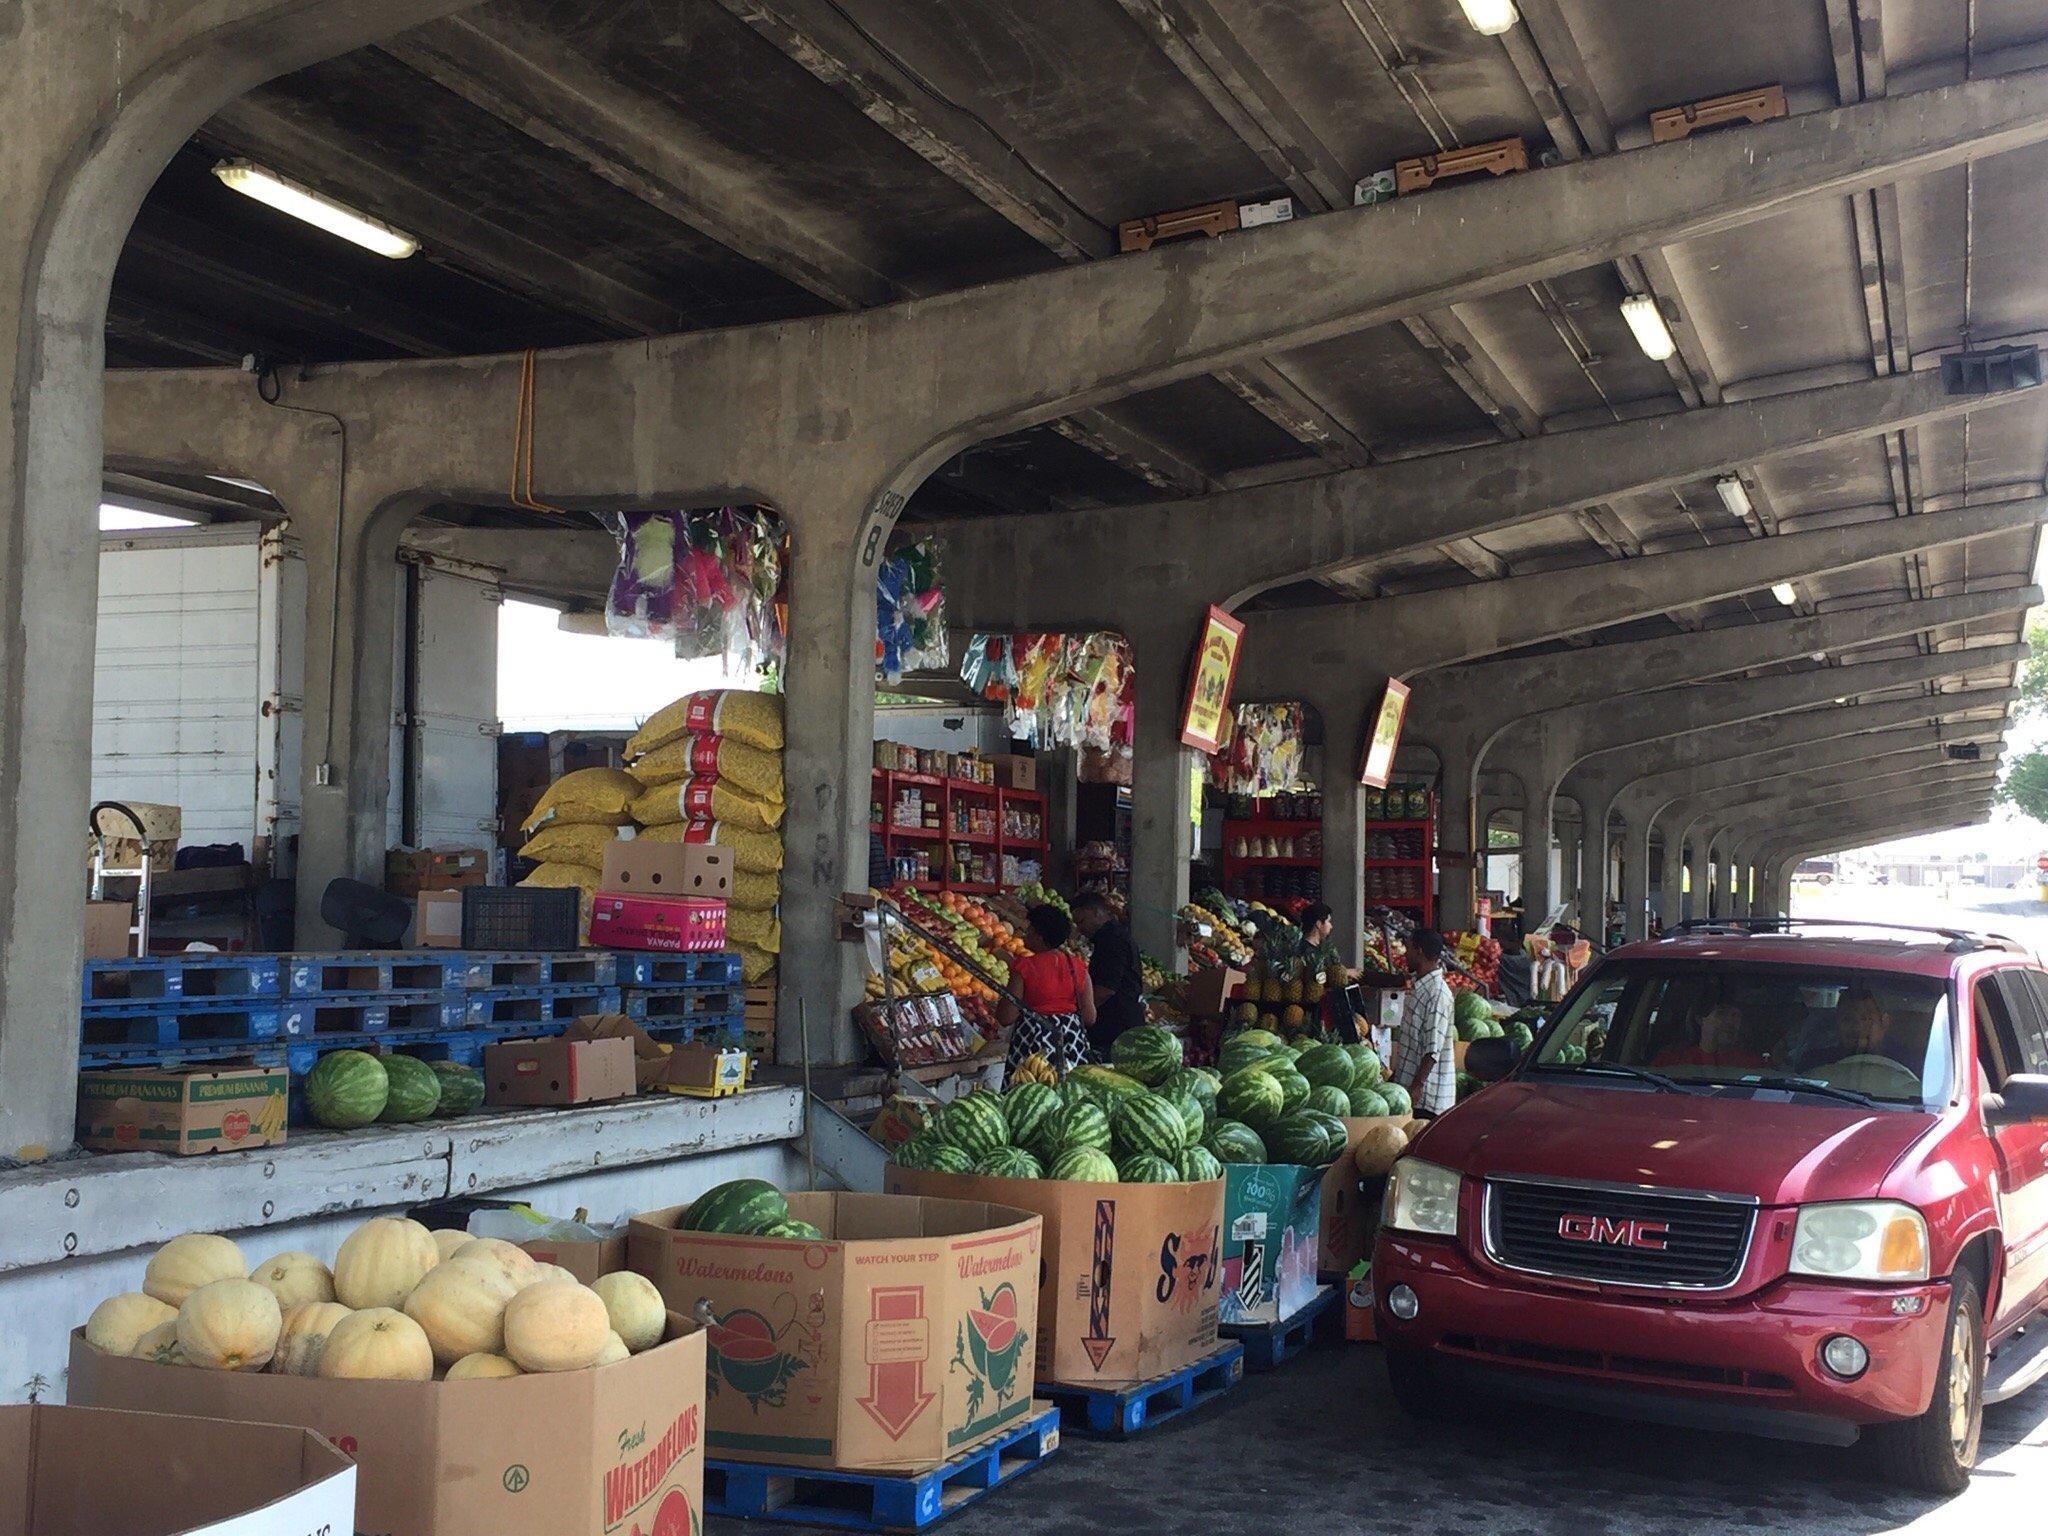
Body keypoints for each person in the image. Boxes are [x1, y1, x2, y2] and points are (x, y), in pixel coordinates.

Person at [998, 904, 1095, 1079]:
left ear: (1040, 937)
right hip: (1071, 1044)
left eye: (1030, 931)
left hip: (1034, 1045)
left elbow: (1006, 1017)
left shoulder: (1024, 967)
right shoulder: (1078, 966)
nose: (1025, 935)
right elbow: (1089, 1017)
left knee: (1032, 1096)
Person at [1391, 929, 1457, 1118]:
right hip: (1411, 1089)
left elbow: (1432, 1049)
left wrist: (1417, 1086)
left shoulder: (1437, 993)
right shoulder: (1421, 986)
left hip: (1428, 1099)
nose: (1405, 954)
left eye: (1409, 948)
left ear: (1419, 951)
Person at [1073, 891, 1144, 1059]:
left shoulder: (1111, 940)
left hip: (1115, 1026)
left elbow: (1105, 989)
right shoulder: (1114, 936)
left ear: (1096, 912)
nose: (1080, 929)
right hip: (1123, 1021)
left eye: (1082, 921)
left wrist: (1081, 1015)